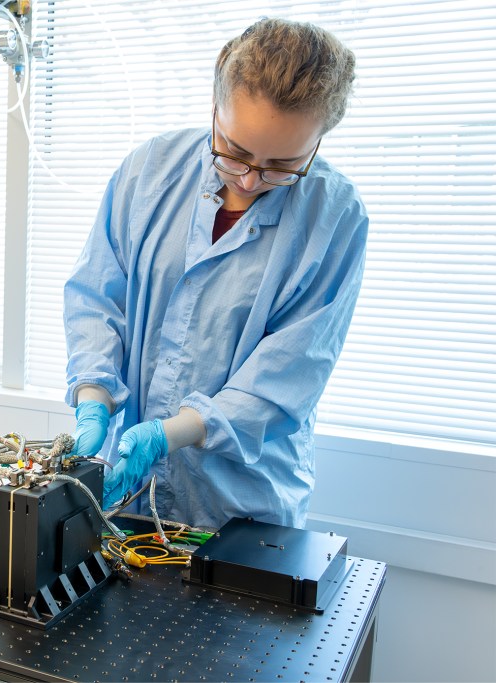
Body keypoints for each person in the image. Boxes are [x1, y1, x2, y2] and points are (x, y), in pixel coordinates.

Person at [65, 18, 367, 531]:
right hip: (126, 491)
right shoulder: (149, 171)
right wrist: (93, 393)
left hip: (241, 505)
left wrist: (172, 433)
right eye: (234, 151)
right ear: (214, 105)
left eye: (282, 165)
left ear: (319, 140)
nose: (249, 180)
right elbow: (96, 298)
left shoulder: (335, 219)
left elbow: (287, 372)